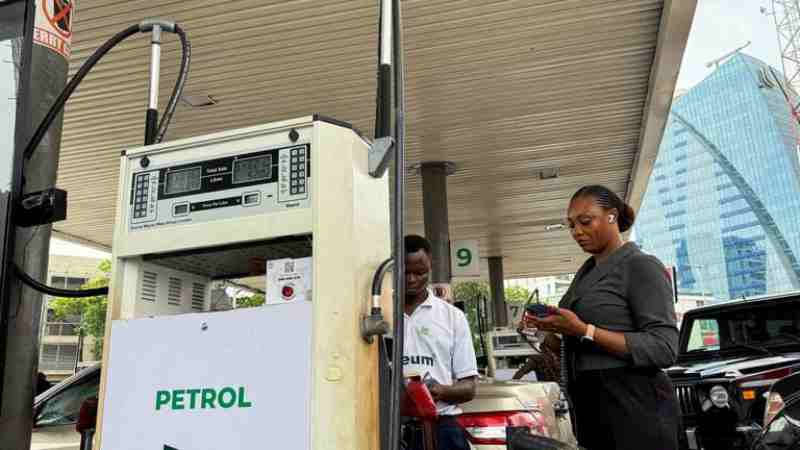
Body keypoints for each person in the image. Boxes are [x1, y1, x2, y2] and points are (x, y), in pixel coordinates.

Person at [522, 185, 680, 450]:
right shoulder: (585, 273)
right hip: (591, 404)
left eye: (585, 221)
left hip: (634, 402)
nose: (577, 231)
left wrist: (585, 330)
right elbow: (579, 343)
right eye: (571, 225)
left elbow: (664, 348)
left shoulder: (640, 266)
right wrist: (547, 333)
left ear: (612, 216)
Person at [402, 235, 478, 450]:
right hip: (388, 428)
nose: (412, 279)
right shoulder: (380, 314)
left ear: (430, 267)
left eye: (420, 273)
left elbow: (469, 387)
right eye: (405, 272)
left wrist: (439, 391)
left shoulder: (452, 317)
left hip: (441, 430)